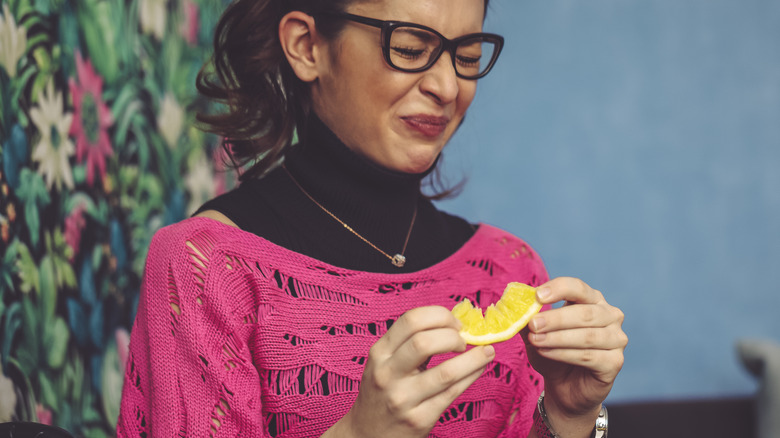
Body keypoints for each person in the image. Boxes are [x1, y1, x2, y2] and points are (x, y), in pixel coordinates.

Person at [117, 0, 627, 436]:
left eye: (467, 56)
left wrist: (570, 416)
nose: (448, 87)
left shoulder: (509, 269)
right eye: (409, 48)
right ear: (307, 47)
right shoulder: (208, 266)